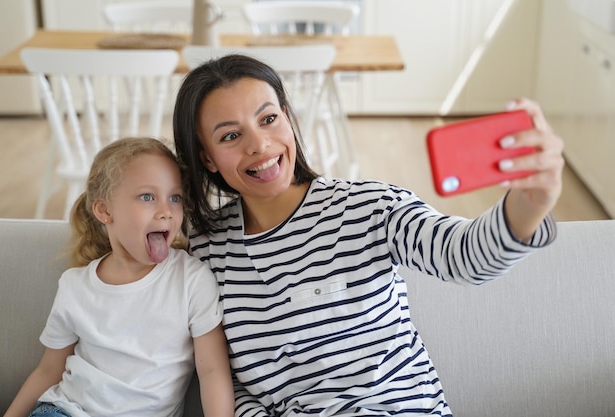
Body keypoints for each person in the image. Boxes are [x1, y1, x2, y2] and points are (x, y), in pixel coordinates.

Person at [172, 54, 564, 416]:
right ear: (206, 157)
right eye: (229, 136)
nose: (259, 144)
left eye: (269, 119)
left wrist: (530, 203)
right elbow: (228, 382)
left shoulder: (370, 207)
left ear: (289, 118)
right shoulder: (207, 251)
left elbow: (463, 256)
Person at [4, 137, 234, 417]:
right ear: (104, 211)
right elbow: (48, 370)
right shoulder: (75, 285)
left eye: (174, 197)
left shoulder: (192, 279)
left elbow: (212, 371)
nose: (165, 211)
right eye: (147, 197)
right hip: (65, 411)